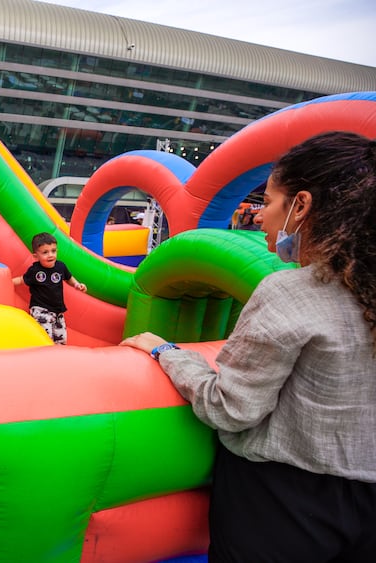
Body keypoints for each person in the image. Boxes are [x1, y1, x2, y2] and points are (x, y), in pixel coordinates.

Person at [121, 131, 376, 561]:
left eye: (270, 201)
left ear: (302, 206)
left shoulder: (291, 292)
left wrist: (168, 353)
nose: (259, 217)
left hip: (283, 502)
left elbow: (231, 409)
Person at [13, 232, 86, 344]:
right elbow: (22, 279)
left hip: (58, 310)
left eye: (53, 251)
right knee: (46, 339)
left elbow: (69, 278)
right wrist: (8, 282)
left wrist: (77, 285)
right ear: (36, 256)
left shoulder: (60, 266)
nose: (50, 255)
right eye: (45, 252)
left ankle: (57, 358)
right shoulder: (35, 270)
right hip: (40, 310)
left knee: (61, 340)